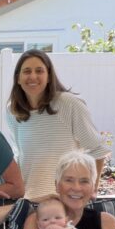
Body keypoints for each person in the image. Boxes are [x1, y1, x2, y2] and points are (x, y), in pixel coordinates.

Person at [7, 49, 108, 201]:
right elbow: (21, 155)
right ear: (18, 78)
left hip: (63, 202)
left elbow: (98, 151)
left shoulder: (69, 104)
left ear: (49, 76)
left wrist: (91, 191)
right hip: (29, 201)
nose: (33, 76)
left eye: (39, 71)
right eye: (27, 71)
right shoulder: (12, 111)